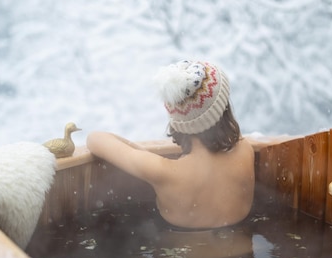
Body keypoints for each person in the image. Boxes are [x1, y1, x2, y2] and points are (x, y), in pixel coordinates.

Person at [86, 59, 255, 229]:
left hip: (185, 254)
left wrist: (143, 153)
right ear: (225, 110)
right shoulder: (245, 152)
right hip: (246, 253)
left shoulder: (163, 171)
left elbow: (95, 139)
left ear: (177, 120)